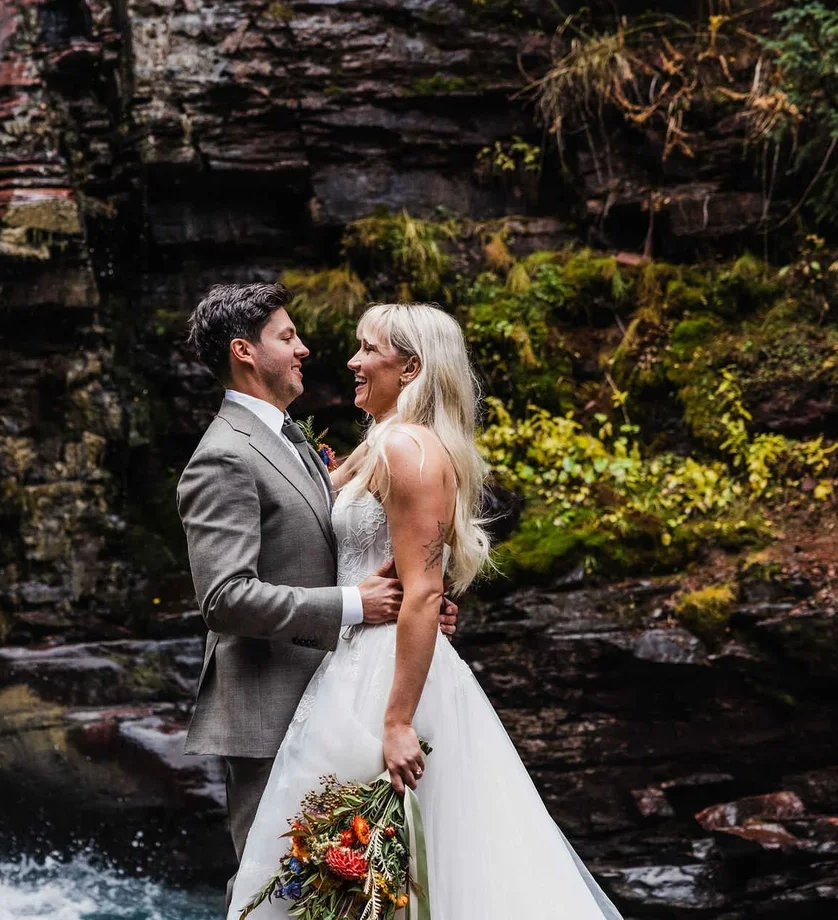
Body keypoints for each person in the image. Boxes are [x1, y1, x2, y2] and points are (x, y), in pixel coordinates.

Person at [226, 302, 624, 920]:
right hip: (353, 660)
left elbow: (424, 591)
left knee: (396, 869)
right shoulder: (381, 444)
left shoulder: (408, 450)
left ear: (409, 367)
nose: (352, 362)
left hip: (384, 680)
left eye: (368, 349)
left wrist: (398, 722)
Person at [176, 284, 460, 907]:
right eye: (287, 337)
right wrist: (361, 605)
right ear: (244, 352)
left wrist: (418, 599)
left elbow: (348, 542)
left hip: (340, 693)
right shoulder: (222, 457)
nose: (306, 349)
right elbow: (224, 598)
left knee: (356, 894)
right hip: (270, 705)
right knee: (272, 893)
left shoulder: (293, 440)